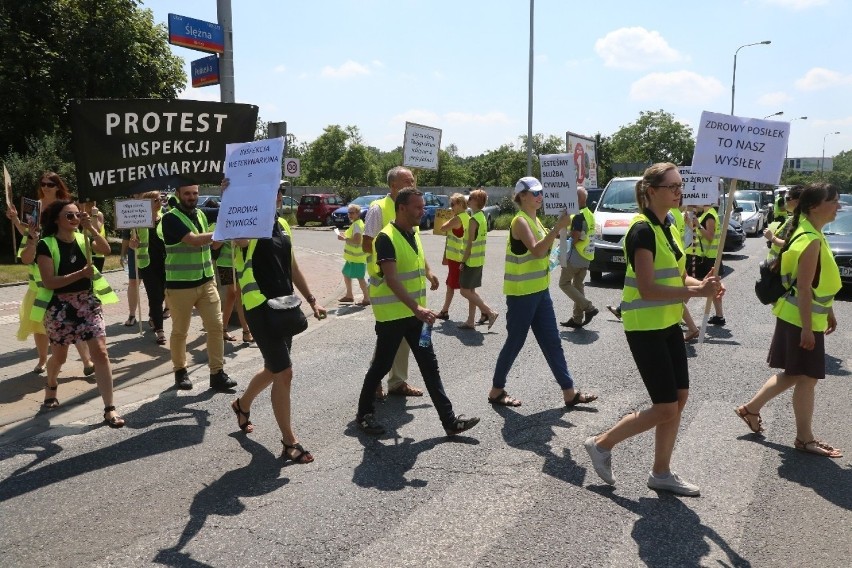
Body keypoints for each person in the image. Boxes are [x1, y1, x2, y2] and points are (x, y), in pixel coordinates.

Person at [584, 163, 723, 495]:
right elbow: (647, 288)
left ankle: (661, 472)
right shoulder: (641, 230)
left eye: (680, 186)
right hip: (645, 325)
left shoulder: (670, 224)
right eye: (673, 187)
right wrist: (695, 292)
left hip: (668, 322)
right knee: (664, 406)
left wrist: (702, 284)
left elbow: (674, 278)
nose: (679, 192)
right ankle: (602, 443)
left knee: (679, 398)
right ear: (651, 191)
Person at [355, 188, 480, 437]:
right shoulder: (386, 237)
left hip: (417, 319)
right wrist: (417, 307)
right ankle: (364, 415)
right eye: (417, 207)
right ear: (402, 208)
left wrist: (428, 279)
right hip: (393, 317)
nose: (423, 212)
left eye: (423, 207)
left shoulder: (412, 233)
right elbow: (391, 279)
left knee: (429, 366)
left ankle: (450, 421)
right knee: (381, 366)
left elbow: (415, 265)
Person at [735, 182, 842, 458]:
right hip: (800, 320)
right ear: (815, 206)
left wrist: (827, 310)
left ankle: (751, 409)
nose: (838, 206)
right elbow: (804, 287)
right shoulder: (810, 238)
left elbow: (812, 282)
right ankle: (804, 439)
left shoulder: (810, 230)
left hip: (798, 317)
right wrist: (807, 328)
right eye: (834, 201)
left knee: (796, 374)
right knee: (806, 378)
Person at [228, 183, 327, 464]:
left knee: (274, 369)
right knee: (284, 372)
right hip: (259, 307)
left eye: (280, 191)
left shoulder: (282, 223)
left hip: (285, 306)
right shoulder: (247, 226)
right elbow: (235, 234)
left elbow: (292, 266)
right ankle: (289, 441)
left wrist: (311, 299)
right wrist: (230, 195)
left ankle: (242, 404)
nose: (278, 195)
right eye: (271, 190)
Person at [488, 177, 598, 408]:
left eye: (541, 192)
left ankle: (569, 392)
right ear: (522, 196)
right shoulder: (520, 221)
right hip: (522, 294)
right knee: (515, 341)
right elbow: (538, 251)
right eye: (535, 193)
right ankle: (496, 390)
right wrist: (558, 227)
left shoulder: (535, 220)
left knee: (552, 341)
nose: (540, 196)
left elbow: (549, 249)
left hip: (540, 291)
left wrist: (563, 231)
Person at [32, 199, 125, 427]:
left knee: (101, 353)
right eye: (70, 216)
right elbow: (49, 281)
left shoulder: (84, 238)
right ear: (57, 220)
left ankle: (109, 409)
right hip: (59, 307)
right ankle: (51, 384)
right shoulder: (46, 244)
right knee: (60, 356)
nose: (75, 219)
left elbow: (105, 249)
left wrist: (91, 227)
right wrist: (80, 274)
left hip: (87, 303)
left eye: (77, 215)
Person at [6, 172, 95, 375]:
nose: (45, 186)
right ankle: (42, 360)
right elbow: (29, 232)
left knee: (74, 317)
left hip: (63, 260)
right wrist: (15, 220)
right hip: (39, 263)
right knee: (38, 322)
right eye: (43, 183)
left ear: (57, 186)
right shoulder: (34, 206)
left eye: (50, 184)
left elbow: (76, 230)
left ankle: (87, 362)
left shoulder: (66, 206)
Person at [159, 184, 236, 391]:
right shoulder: (170, 218)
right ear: (178, 194)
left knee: (216, 327)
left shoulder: (201, 214)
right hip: (180, 285)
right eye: (187, 193)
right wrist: (221, 233)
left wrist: (226, 191)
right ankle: (180, 371)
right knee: (180, 332)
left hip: (206, 281)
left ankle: (217, 373)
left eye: (195, 193)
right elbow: (192, 241)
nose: (191, 197)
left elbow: (226, 209)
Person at [361, 166, 423, 399]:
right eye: (407, 180)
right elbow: (367, 243)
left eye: (413, 179)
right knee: (388, 336)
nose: (412, 183)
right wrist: (388, 259)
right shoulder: (378, 209)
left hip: (408, 285)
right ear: (393, 185)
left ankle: (398, 382)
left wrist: (427, 271)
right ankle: (375, 379)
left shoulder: (411, 210)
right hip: (385, 283)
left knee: (405, 339)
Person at [128, 190, 167, 345]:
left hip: (165, 262)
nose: (159, 203)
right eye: (156, 200)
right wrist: (132, 244)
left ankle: (153, 316)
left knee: (163, 293)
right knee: (155, 296)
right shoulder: (139, 221)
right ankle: (160, 330)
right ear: (147, 203)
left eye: (160, 200)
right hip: (147, 263)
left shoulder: (165, 218)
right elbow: (132, 242)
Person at [559, 187, 599, 328]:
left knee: (563, 283)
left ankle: (589, 307)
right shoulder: (589, 214)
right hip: (586, 256)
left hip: (575, 256)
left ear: (577, 199)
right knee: (578, 285)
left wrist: (564, 246)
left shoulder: (577, 215)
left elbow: (575, 237)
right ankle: (577, 319)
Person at [458, 188, 498, 330]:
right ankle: (470, 321)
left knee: (464, 291)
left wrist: (463, 261)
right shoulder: (481, 216)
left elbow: (469, 244)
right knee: (471, 291)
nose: (468, 200)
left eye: (471, 198)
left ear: (476, 201)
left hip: (470, 260)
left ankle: (489, 312)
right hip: (479, 259)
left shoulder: (473, 220)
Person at [691, 203, 726, 325]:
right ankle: (719, 316)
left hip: (710, 257)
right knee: (711, 286)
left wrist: (698, 225)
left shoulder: (709, 215)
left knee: (693, 284)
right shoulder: (707, 213)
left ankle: (680, 314)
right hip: (708, 256)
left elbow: (709, 237)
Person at [213, 237, 253, 343]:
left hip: (238, 264)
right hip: (226, 265)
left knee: (231, 297)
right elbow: (214, 245)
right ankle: (246, 332)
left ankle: (223, 329)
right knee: (239, 296)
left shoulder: (240, 223)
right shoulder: (219, 225)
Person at [436, 193, 468, 322]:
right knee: (452, 285)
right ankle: (444, 311)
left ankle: (486, 310)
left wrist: (448, 217)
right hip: (459, 256)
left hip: (456, 257)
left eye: (453, 204)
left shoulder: (457, 219)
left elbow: (442, 228)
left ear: (460, 204)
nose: (451, 207)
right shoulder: (467, 217)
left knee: (464, 289)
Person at [337, 203, 370, 306]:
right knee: (346, 273)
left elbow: (357, 240)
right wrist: (344, 235)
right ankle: (349, 295)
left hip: (357, 258)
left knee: (360, 278)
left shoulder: (357, 225)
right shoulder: (356, 223)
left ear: (358, 213)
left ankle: (367, 298)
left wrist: (344, 238)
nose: (349, 215)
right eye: (349, 212)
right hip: (352, 258)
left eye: (352, 213)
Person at [764, 185, 802, 262]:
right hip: (776, 263)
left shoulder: (799, 220)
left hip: (782, 264)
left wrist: (772, 238)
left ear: (797, 201)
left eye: (787, 198)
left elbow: (789, 245)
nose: (785, 201)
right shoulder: (792, 218)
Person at [119, 229, 140, 327]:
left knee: (153, 283)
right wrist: (123, 254)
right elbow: (126, 236)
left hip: (153, 251)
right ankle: (132, 315)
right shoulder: (129, 213)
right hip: (134, 252)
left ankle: (155, 315)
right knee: (133, 282)